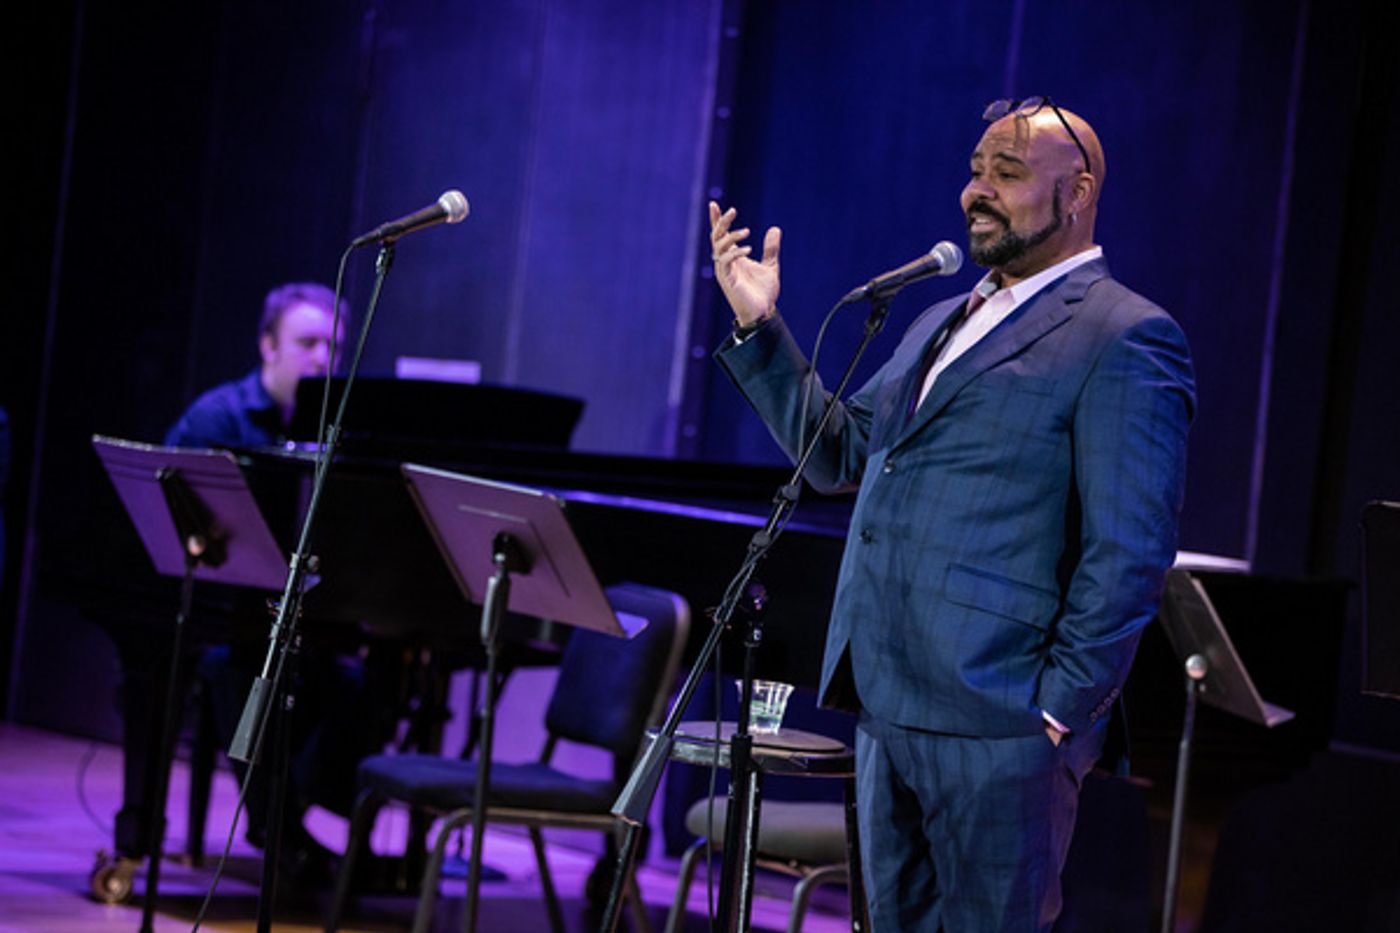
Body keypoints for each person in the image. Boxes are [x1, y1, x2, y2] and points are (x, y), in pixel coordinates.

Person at [709, 97, 1194, 931]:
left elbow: (1131, 550)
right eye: (975, 170)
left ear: (1076, 192)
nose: (977, 190)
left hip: (1002, 723)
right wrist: (761, 324)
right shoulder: (942, 318)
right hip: (889, 700)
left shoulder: (1125, 335)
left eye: (1006, 173)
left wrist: (1055, 714)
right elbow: (840, 456)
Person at [162, 282, 387, 884]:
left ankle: (284, 816)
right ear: (268, 346)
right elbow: (168, 507)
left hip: (311, 620)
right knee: (235, 668)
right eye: (308, 342)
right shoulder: (218, 417)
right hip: (224, 615)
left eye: (333, 348)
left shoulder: (342, 426)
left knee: (370, 682)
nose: (322, 359)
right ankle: (282, 834)